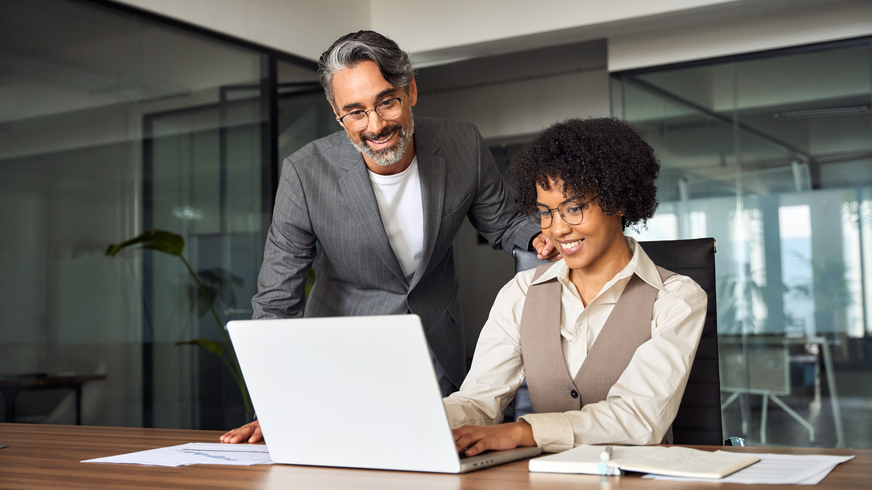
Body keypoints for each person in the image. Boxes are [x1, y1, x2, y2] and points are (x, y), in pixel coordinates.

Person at [220, 30, 554, 444]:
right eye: (355, 112)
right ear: (335, 111)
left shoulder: (461, 144)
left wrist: (547, 237)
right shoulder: (305, 173)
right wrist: (274, 405)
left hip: (435, 349)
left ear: (410, 89)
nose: (375, 126)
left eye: (386, 102)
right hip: (342, 356)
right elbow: (276, 300)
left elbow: (504, 224)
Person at [446, 117, 707, 456]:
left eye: (573, 208)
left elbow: (640, 417)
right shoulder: (522, 292)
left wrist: (524, 432)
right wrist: (428, 417)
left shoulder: (676, 298)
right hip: (543, 479)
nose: (557, 229)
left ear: (618, 201)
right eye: (545, 213)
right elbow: (478, 401)